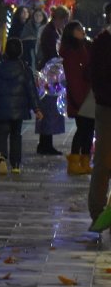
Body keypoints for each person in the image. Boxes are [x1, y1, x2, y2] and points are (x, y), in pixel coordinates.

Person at [0, 39, 42, 175]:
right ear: (20, 52)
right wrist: (37, 109)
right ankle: (16, 164)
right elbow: (31, 91)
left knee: (2, 133)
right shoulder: (25, 69)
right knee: (16, 135)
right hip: (19, 109)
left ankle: (1, 155)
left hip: (2, 108)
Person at [60, 21, 95, 176]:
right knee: (82, 129)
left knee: (89, 129)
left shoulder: (86, 46)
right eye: (79, 29)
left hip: (90, 94)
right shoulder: (71, 51)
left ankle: (85, 161)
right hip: (80, 96)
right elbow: (73, 77)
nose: (82, 31)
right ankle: (74, 162)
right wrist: (77, 99)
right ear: (71, 33)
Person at [88, 2, 111, 232]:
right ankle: (98, 211)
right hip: (107, 109)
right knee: (104, 162)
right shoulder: (102, 43)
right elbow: (97, 78)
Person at [35, 6, 70, 156]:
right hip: (50, 74)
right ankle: (45, 144)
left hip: (53, 73)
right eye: (63, 20)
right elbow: (51, 53)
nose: (64, 24)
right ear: (58, 18)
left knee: (49, 109)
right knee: (48, 108)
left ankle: (46, 143)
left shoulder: (54, 31)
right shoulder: (49, 33)